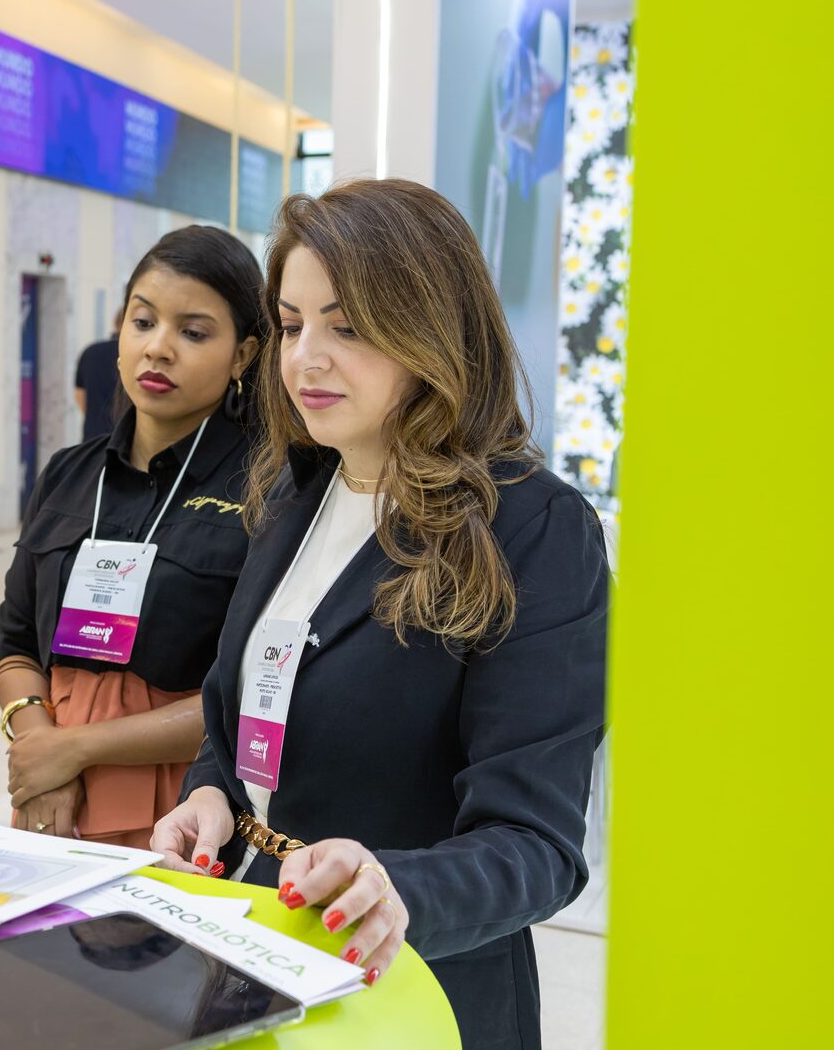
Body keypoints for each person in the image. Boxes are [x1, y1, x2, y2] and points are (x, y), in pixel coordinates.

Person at [151, 180, 608, 1050]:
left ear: (433, 328)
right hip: (253, 951)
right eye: (291, 325)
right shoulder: (297, 489)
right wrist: (212, 796)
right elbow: (242, 716)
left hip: (414, 990)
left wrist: (393, 887)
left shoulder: (534, 530)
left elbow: (536, 843)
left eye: (348, 327)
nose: (305, 359)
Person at [0, 226, 267, 848]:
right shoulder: (69, 472)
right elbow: (14, 641)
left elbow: (254, 691)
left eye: (193, 333)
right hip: (52, 801)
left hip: (192, 813)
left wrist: (75, 749)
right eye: (142, 322)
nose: (158, 348)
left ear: (244, 356)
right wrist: (39, 747)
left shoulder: (268, 490)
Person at [74, 309, 122, 440]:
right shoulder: (134, 356)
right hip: (124, 439)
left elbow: (79, 395)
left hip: (91, 439)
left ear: (114, 322)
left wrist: (96, 417)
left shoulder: (90, 352)